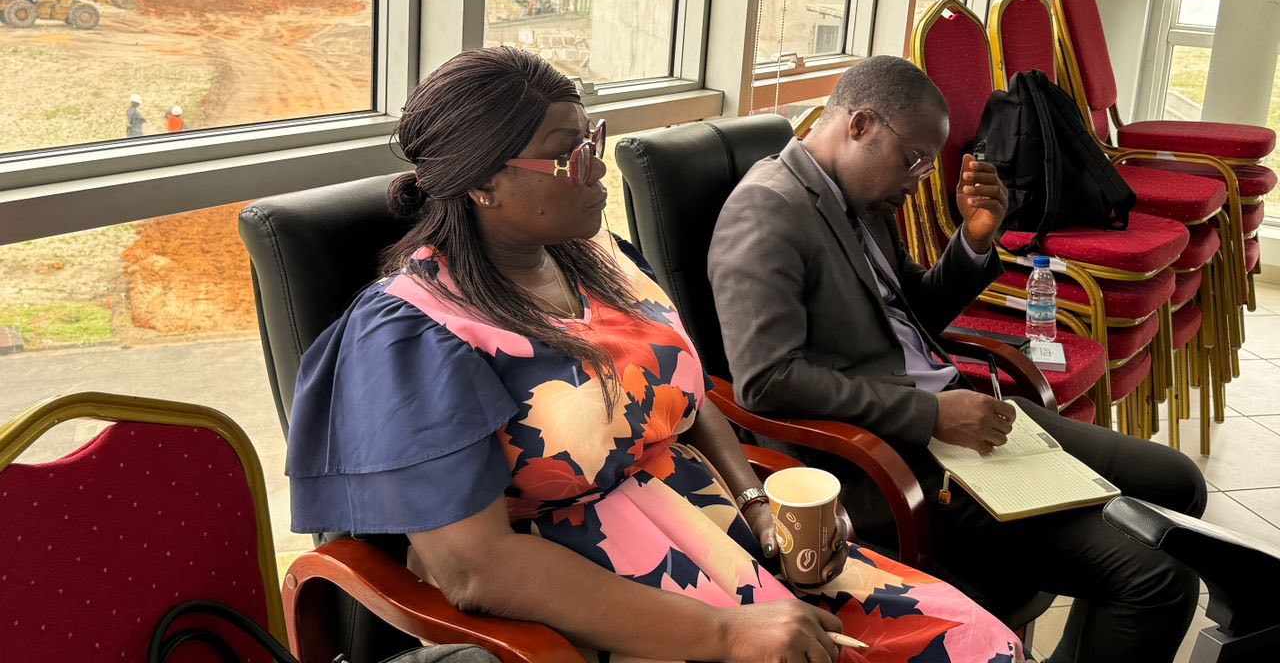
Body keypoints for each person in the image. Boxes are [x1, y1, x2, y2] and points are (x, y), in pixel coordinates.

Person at [286, 47, 1024, 663]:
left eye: (593, 140)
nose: (596, 167)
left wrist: (759, 506)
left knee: (975, 640)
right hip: (591, 602)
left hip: (720, 533)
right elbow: (476, 569)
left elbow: (688, 397)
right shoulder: (416, 332)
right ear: (483, 181)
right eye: (567, 153)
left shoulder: (598, 259)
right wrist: (727, 634)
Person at [708, 55, 1209, 663]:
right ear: (860, 125)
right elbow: (767, 380)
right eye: (914, 159)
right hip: (889, 458)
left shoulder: (860, 196)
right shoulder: (767, 209)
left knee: (1179, 484)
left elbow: (912, 311)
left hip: (956, 421)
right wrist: (932, 415)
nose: (920, 179)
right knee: (1158, 582)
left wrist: (974, 240)